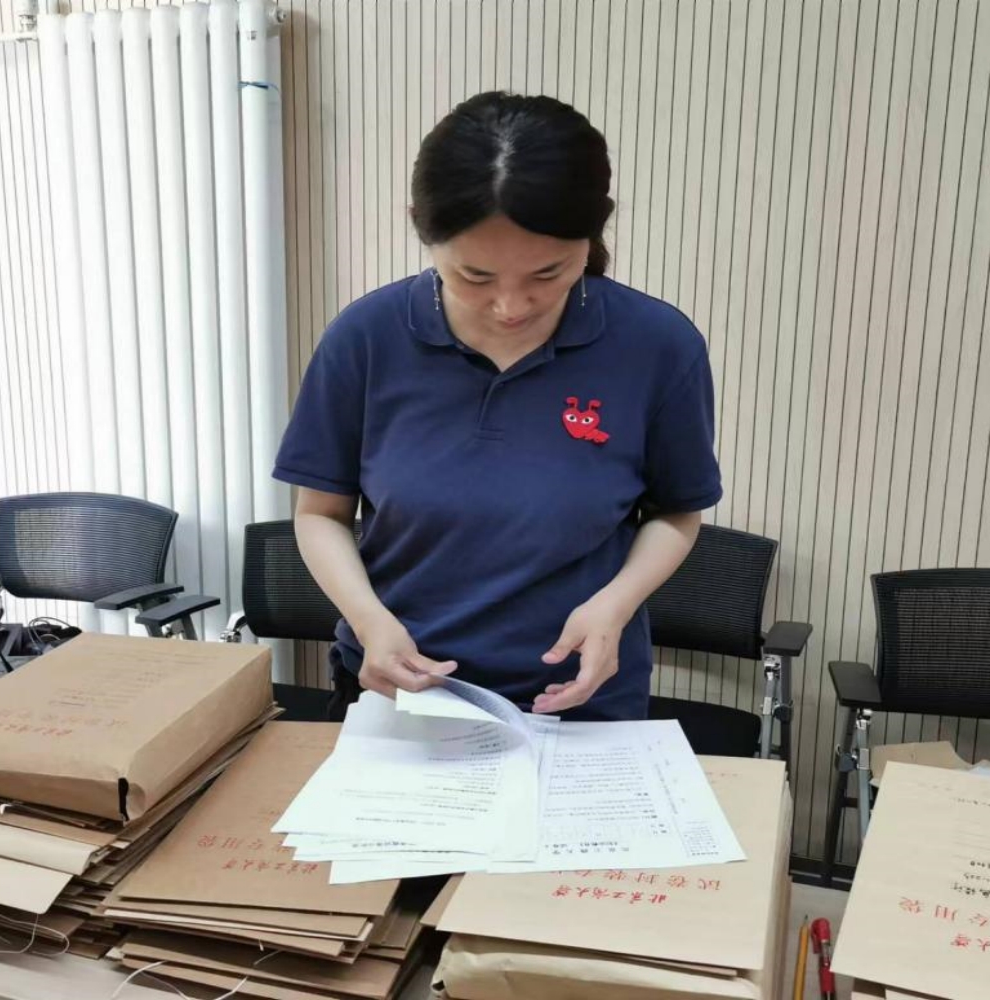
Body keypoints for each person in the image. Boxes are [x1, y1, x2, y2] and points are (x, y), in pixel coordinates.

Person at [272, 92, 723, 722]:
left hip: (577, 700)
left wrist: (615, 605)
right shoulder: (366, 338)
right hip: (400, 691)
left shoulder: (658, 346)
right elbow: (320, 514)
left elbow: (676, 512)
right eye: (475, 277)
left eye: (548, 273)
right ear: (422, 229)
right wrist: (369, 622)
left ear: (593, 232)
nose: (511, 306)